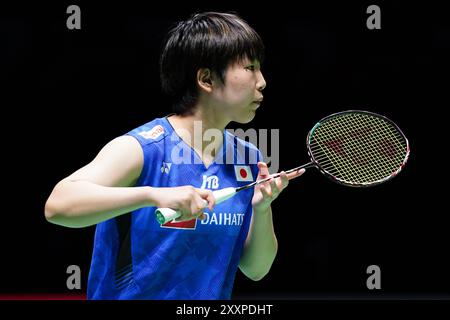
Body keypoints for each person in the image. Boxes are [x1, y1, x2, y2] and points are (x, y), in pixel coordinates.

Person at [44, 11, 304, 300]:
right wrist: (153, 195)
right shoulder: (143, 148)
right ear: (206, 79)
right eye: (250, 67)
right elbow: (58, 205)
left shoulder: (247, 158)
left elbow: (256, 269)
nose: (262, 81)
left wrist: (262, 208)